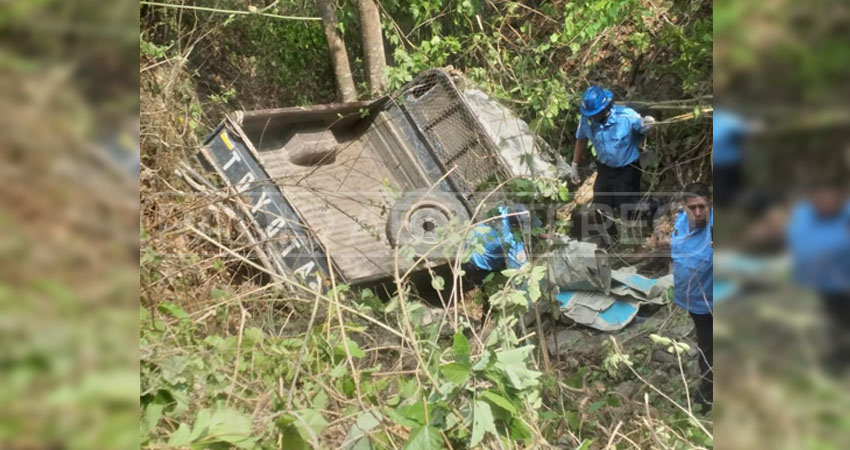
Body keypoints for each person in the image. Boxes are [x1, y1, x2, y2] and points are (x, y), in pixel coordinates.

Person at [648, 182, 713, 411]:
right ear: (684, 206)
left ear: (710, 204)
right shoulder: (681, 222)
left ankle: (706, 400)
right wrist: (658, 241)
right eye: (692, 207)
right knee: (706, 347)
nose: (698, 212)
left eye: (702, 207)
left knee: (710, 350)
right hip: (695, 302)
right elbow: (671, 240)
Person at [567, 86, 655, 245]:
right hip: (605, 169)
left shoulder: (626, 117)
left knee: (628, 208)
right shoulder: (587, 120)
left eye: (596, 113)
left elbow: (643, 129)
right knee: (601, 205)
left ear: (605, 108)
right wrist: (575, 165)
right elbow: (581, 140)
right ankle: (610, 242)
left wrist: (648, 124)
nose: (593, 117)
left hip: (627, 169)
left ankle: (653, 213)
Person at [786, 179, 850, 374]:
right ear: (813, 199)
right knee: (834, 319)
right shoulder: (804, 215)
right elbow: (805, 246)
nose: (827, 203)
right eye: (822, 198)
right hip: (825, 282)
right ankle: (838, 355)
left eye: (833, 198)